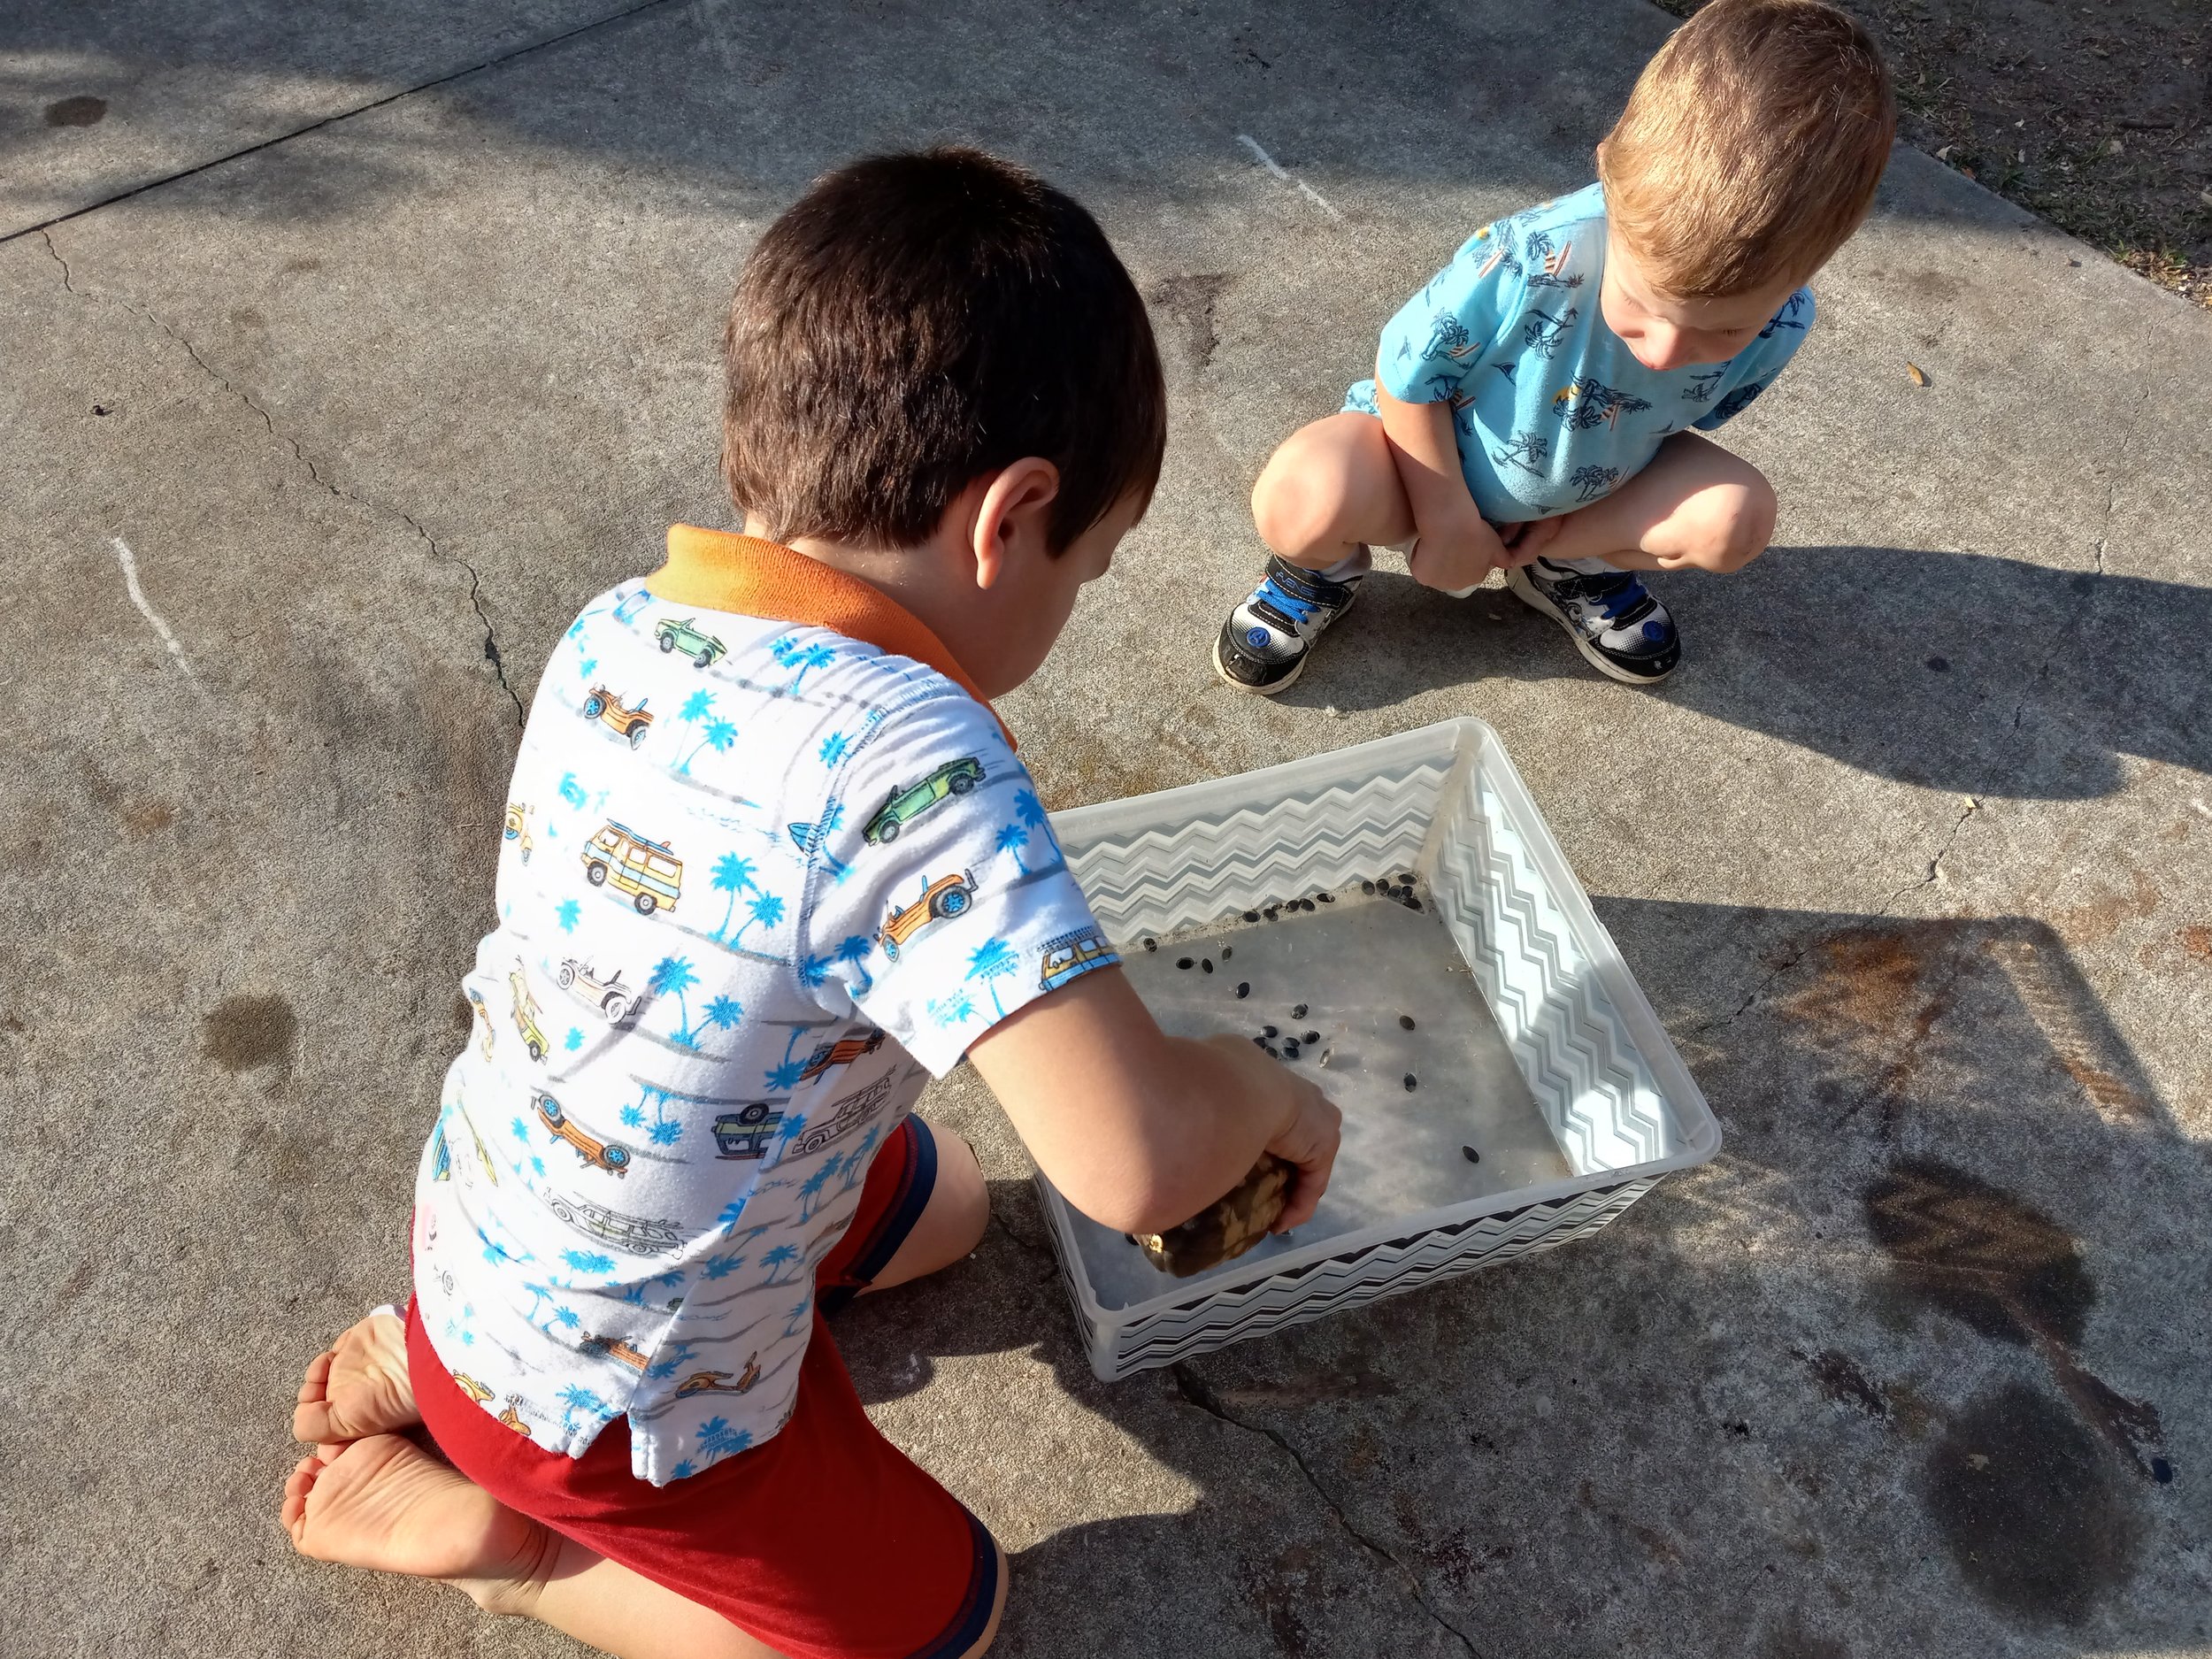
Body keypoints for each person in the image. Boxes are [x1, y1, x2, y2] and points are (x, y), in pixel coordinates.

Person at [280, 147, 1341, 1659]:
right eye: (1091, 569)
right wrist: (1257, 1089)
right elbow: (1142, 1164)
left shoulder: (622, 627)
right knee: (941, 1623)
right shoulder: (915, 764)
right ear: (1011, 517)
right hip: (626, 1402)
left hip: (492, 1228)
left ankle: (443, 1366)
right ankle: (518, 1550)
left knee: (951, 1206)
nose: (1077, 601)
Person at [1213, 0, 1895, 693]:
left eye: (1723, 331)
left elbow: (1676, 427)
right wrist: (1447, 519)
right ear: (1610, 175)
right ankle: (1320, 570)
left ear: (1810, 270)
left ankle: (1561, 563)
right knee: (1300, 497)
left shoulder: (1783, 319)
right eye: (1641, 305)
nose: (1664, 353)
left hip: (1585, 488)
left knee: (1736, 518)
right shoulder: (1533, 257)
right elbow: (1406, 374)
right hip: (1415, 468)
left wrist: (1555, 530)